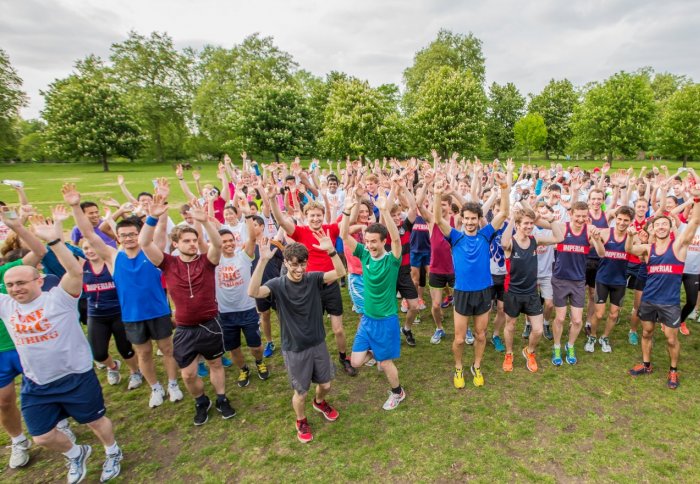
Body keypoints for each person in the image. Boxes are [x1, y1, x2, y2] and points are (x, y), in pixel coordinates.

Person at [0, 208, 122, 483]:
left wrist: (54, 241)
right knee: (42, 436)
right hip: (37, 382)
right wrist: (17, 227)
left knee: (95, 422)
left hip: (76, 376)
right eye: (9, 285)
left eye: (21, 282)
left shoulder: (59, 298)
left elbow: (74, 271)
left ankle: (112, 451)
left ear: (39, 280)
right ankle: (75, 453)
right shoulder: (6, 306)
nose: (16, 288)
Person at [63, 183, 184, 409]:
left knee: (168, 350)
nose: (129, 238)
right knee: (144, 353)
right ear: (117, 238)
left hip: (158, 311)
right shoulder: (112, 257)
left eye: (133, 234)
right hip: (132, 315)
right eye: (124, 235)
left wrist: (162, 206)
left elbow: (161, 227)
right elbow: (88, 232)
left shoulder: (152, 251)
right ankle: (155, 388)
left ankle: (173, 383)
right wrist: (75, 206)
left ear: (139, 235)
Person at [139, 193, 236, 425]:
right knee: (188, 374)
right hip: (184, 328)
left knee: (215, 364)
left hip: (211, 324)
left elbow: (218, 244)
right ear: (176, 244)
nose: (192, 244)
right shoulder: (168, 263)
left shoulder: (207, 262)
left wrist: (203, 222)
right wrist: (152, 218)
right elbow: (144, 243)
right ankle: (201, 400)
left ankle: (221, 398)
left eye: (194, 240)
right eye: (186, 241)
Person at [248, 239, 344, 443]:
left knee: (325, 384)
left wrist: (332, 252)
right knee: (301, 392)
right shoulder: (277, 285)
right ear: (285, 263)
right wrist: (263, 261)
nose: (299, 269)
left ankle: (319, 402)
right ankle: (301, 420)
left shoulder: (313, 279)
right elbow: (253, 292)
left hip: (318, 342)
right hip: (295, 348)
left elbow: (340, 273)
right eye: (294, 264)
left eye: (302, 264)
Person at [434, 163, 511, 389]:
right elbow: (438, 220)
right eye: (465, 218)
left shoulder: (486, 235)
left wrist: (504, 186)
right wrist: (437, 195)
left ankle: (476, 366)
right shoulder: (455, 237)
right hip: (462, 293)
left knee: (480, 334)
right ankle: (458, 367)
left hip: (482, 291)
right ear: (462, 219)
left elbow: (504, 212)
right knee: (459, 338)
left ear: (479, 220)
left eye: (473, 219)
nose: (469, 222)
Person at [267, 190, 356, 376]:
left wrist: (348, 210)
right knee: (312, 327)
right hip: (310, 287)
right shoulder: (301, 232)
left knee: (338, 330)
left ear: (323, 216)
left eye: (318, 215)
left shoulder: (330, 229)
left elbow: (346, 226)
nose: (316, 219)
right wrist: (272, 200)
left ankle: (343, 357)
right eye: (312, 215)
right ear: (306, 217)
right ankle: (312, 358)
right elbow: (282, 221)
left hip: (330, 284)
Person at [628, 191, 700, 389]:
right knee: (647, 332)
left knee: (670, 338)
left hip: (670, 302)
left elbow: (694, 223)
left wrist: (697, 200)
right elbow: (629, 250)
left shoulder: (678, 246)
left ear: (671, 228)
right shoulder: (648, 249)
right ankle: (646, 365)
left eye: (664, 224)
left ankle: (673, 370)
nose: (660, 227)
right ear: (653, 228)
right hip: (649, 299)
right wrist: (631, 237)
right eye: (657, 224)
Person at [342, 192, 406, 409]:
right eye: (367, 241)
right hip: (367, 320)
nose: (369, 245)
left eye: (373, 242)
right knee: (357, 362)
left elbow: (396, 239)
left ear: (383, 241)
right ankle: (377, 352)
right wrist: (346, 212)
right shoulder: (364, 255)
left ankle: (398, 392)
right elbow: (344, 236)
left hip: (386, 320)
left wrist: (385, 211)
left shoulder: (391, 260)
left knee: (386, 363)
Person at [501, 206, 564, 372]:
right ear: (518, 225)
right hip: (513, 292)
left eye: (531, 223)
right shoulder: (511, 243)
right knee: (511, 326)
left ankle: (529, 352)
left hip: (531, 292)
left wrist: (551, 220)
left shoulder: (535, 239)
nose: (530, 226)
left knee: (537, 329)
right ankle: (509, 354)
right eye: (526, 224)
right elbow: (503, 243)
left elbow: (559, 237)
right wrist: (510, 221)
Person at [216, 200, 269, 388]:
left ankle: (259, 362)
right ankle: (243, 369)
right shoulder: (214, 261)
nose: (229, 244)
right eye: (224, 242)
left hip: (247, 309)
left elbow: (253, 239)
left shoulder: (244, 256)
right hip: (226, 312)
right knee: (234, 348)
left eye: (231, 240)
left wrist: (247, 216)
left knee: (255, 346)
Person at [80, 238, 141, 387]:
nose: (90, 251)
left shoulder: (112, 263)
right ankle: (112, 367)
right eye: (86, 248)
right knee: (98, 354)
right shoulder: (82, 265)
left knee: (125, 348)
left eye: (93, 247)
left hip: (118, 313)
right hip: (95, 315)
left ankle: (135, 372)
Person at [550, 201, 604, 366]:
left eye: (584, 216)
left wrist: (597, 239)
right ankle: (557, 347)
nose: (581, 219)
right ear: (571, 214)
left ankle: (570, 345)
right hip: (560, 279)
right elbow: (543, 223)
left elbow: (601, 253)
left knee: (577, 320)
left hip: (578, 281)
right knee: (559, 318)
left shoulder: (589, 231)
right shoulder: (562, 227)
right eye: (577, 216)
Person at [587, 206, 635, 353]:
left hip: (620, 281)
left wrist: (634, 237)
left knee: (614, 313)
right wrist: (594, 238)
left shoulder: (633, 236)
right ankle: (593, 336)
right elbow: (596, 249)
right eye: (619, 219)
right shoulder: (606, 233)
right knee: (599, 313)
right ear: (615, 218)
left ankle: (605, 337)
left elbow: (633, 251)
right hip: (602, 278)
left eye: (626, 220)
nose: (621, 223)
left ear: (630, 221)